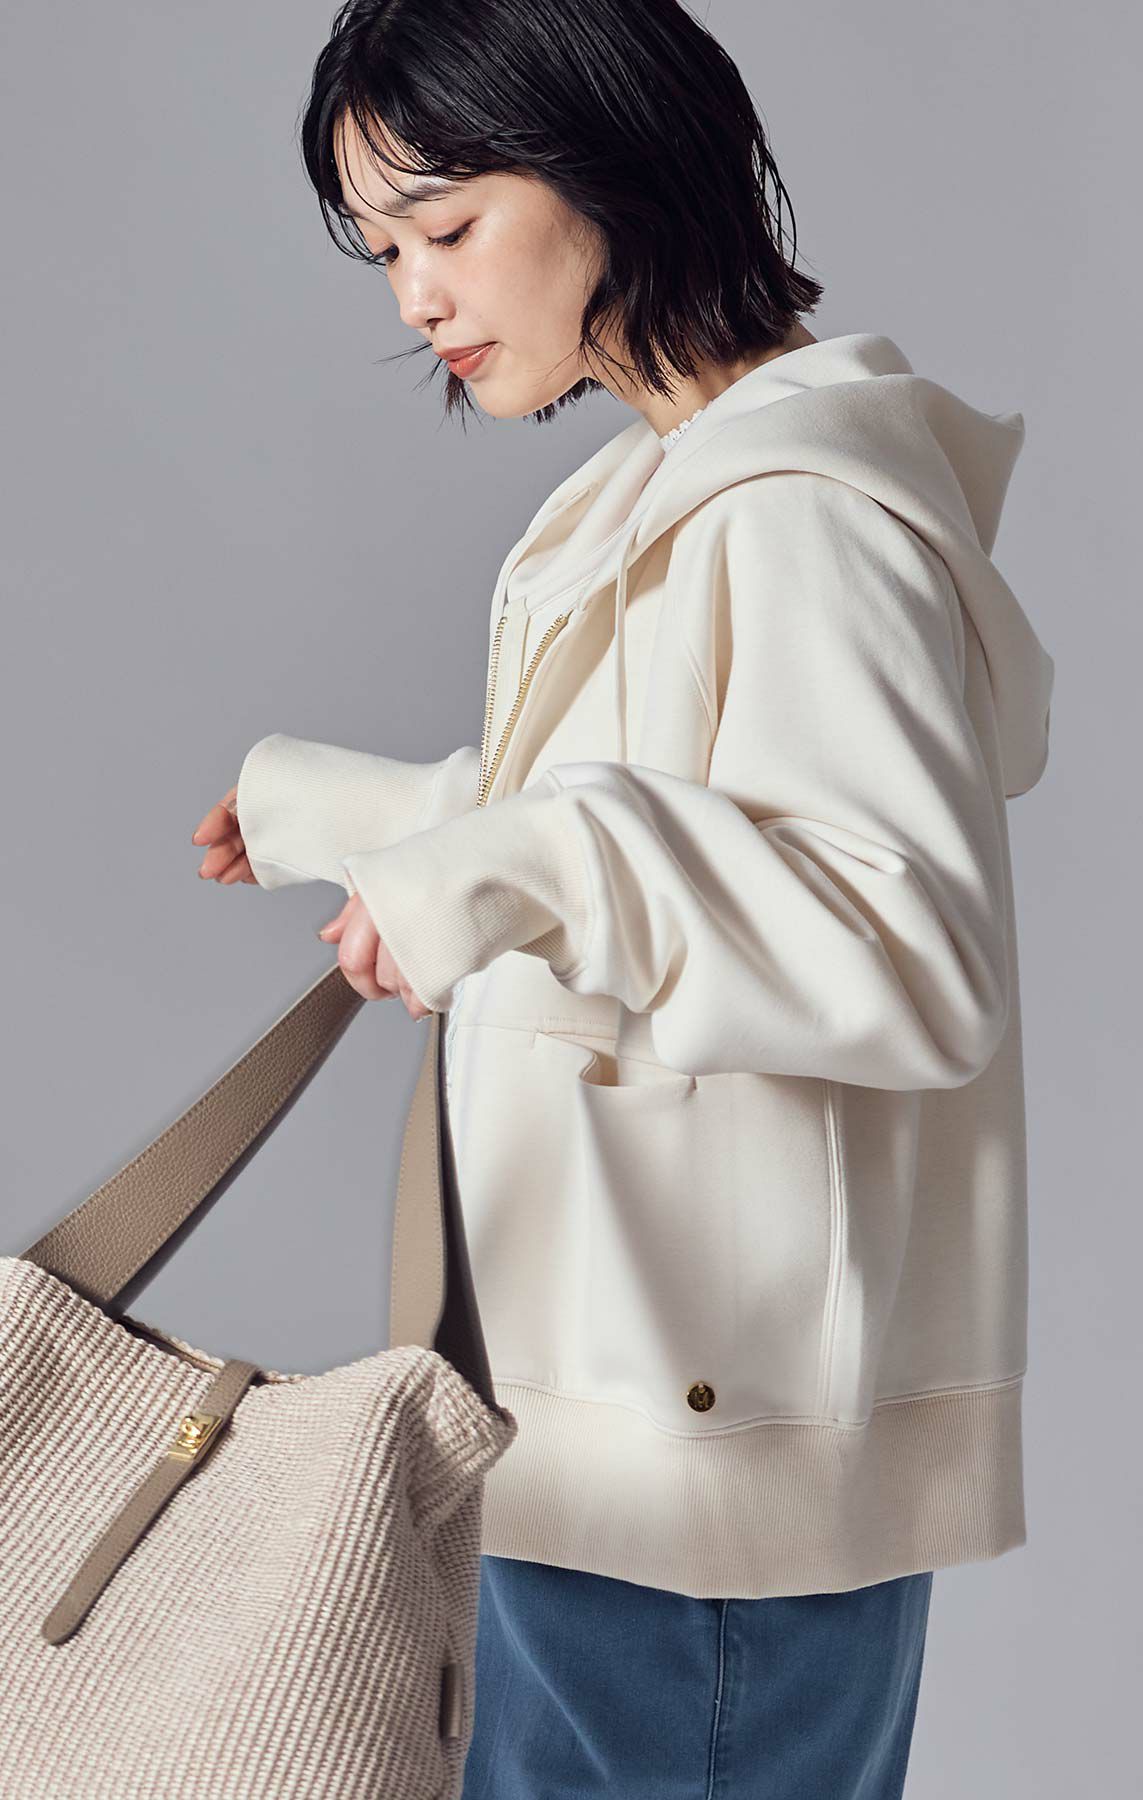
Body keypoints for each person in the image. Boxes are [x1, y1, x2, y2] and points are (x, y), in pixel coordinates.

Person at [190, 1, 1055, 1794]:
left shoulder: (800, 516)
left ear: (608, 168)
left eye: (444, 229)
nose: (416, 299)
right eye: (386, 255)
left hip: (703, 1479)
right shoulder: (646, 501)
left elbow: (907, 948)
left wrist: (511, 863)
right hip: (599, 1420)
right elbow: (663, 830)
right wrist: (356, 822)